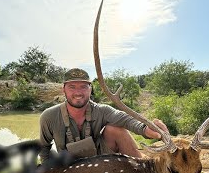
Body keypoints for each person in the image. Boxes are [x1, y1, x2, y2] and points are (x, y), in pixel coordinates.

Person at [39, 67, 168, 163]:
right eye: (72, 87)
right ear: (63, 90)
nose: (78, 92)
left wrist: (146, 129)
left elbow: (126, 119)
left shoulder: (102, 110)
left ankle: (141, 172)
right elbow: (44, 149)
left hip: (98, 159)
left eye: (83, 87)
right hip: (68, 165)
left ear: (90, 89)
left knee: (116, 130)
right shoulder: (48, 116)